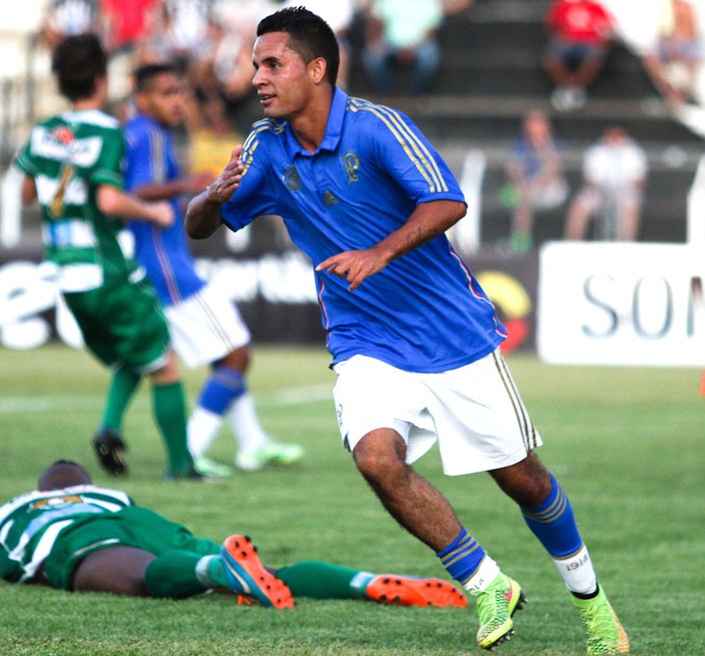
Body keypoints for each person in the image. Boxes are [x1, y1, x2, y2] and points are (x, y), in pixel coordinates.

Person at [185, 7, 629, 653]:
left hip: (452, 334)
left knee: (522, 480)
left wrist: (378, 252)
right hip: (365, 338)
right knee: (375, 459)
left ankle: (593, 608)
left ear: (315, 69)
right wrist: (212, 197)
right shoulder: (263, 145)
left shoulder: (376, 127)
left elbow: (449, 200)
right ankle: (483, 581)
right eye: (255, 64)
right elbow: (200, 226)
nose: (257, 76)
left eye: (271, 63)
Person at [14, 34, 200, 480]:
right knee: (163, 358)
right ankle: (182, 467)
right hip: (105, 268)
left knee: (132, 354)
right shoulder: (106, 130)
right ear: (101, 78)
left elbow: (25, 192)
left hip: (65, 271)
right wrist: (152, 210)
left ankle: (110, 427)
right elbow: (111, 202)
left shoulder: (42, 132)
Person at [121, 63, 304, 476]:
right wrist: (190, 184)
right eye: (167, 93)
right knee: (236, 354)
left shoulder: (144, 134)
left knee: (229, 353)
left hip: (163, 266)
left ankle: (252, 443)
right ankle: (190, 452)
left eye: (179, 92)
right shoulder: (147, 133)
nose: (177, 101)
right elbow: (138, 190)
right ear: (143, 98)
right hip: (170, 272)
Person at [0, 459, 469, 610]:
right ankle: (362, 582)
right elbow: (143, 523)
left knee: (144, 577)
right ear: (87, 484)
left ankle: (219, 569)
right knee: (264, 573)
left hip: (82, 536)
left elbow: (12, 565)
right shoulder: (110, 495)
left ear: (42, 489)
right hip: (148, 525)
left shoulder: (16, 507)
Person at [360, 0, 469, 96]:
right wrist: (379, 42)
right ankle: (386, 93)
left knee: (429, 57)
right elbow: (376, 21)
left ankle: (415, 94)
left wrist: (414, 48)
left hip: (419, 45)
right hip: (390, 43)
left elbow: (431, 30)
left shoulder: (429, 2)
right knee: (372, 55)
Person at [564, 126, 647, 242]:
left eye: (617, 135)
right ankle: (571, 244)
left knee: (631, 205)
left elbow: (640, 180)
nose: (614, 138)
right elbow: (588, 178)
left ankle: (627, 245)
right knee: (580, 204)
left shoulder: (633, 152)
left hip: (625, 191)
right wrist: (600, 188)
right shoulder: (596, 151)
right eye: (611, 135)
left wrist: (624, 189)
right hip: (599, 191)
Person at [504, 110, 568, 254]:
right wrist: (520, 180)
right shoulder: (520, 144)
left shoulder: (554, 143)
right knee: (516, 197)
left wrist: (542, 148)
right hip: (525, 188)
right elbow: (512, 172)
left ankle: (521, 243)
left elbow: (553, 172)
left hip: (551, 189)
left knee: (525, 196)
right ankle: (520, 244)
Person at [542, 0, 616, 111]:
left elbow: (607, 28)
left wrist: (601, 41)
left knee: (595, 57)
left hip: (590, 42)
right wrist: (560, 37)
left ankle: (574, 89)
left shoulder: (595, 7)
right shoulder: (563, 5)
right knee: (552, 58)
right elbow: (551, 24)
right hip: (568, 41)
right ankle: (569, 87)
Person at [640, 0, 702, 106]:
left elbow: (692, 38)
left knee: (693, 62)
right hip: (667, 54)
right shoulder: (666, 9)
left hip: (684, 53)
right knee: (650, 58)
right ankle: (668, 91)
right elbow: (661, 36)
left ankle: (681, 92)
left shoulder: (688, 9)